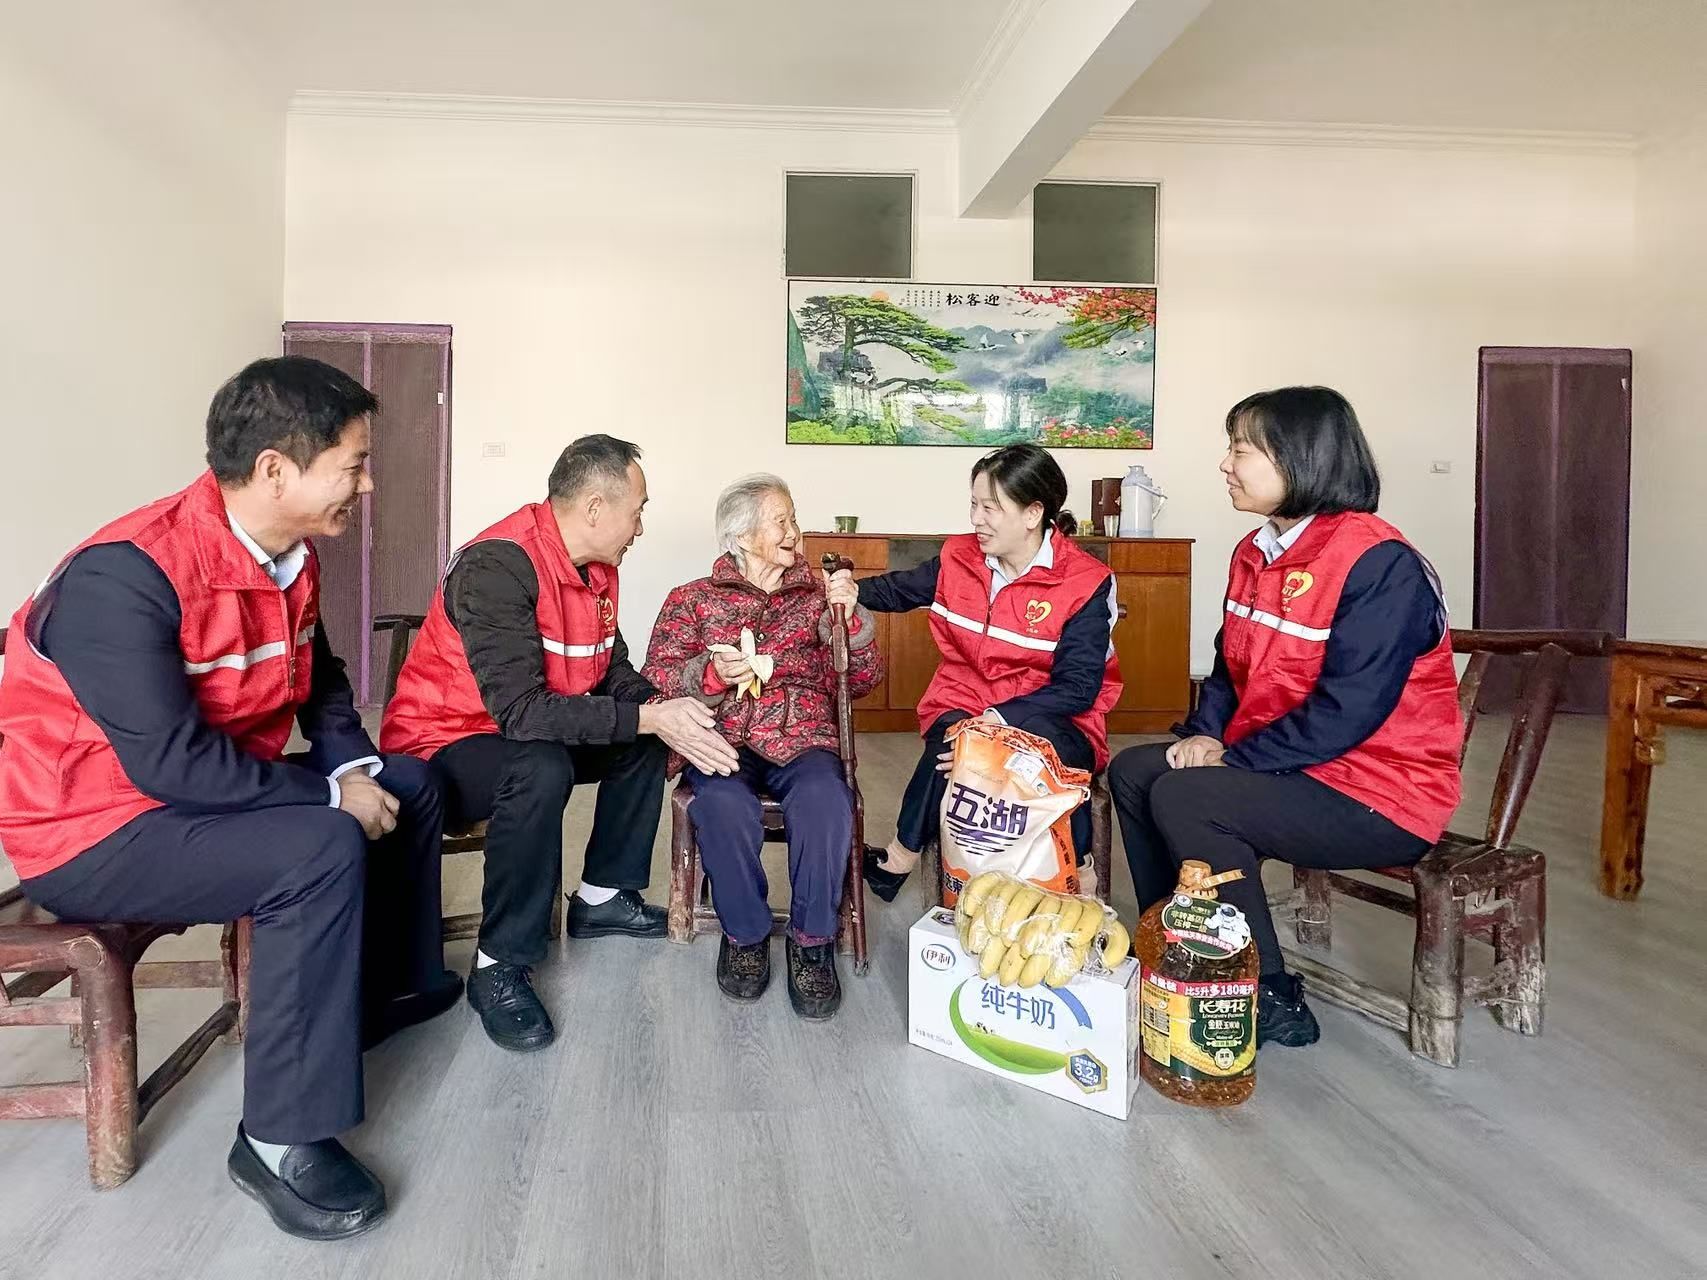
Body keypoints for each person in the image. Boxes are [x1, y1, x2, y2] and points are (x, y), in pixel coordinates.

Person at [0, 356, 459, 1241]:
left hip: (200, 802)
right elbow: (171, 766)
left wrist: (353, 769)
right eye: (355, 464)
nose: (366, 485)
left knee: (406, 781)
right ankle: (280, 1137)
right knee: (318, 847)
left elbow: (322, 684)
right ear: (276, 469)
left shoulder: (289, 558)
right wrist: (328, 796)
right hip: (95, 832)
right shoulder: (123, 576)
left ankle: (381, 995)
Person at [1107, 386, 1463, 1050]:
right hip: (1291, 768)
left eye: (1241, 450)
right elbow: (1228, 669)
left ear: (1302, 458)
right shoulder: (1256, 551)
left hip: (1377, 792)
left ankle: (1264, 990)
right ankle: (1178, 948)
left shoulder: (1378, 563)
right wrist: (1205, 733)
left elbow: (1349, 710)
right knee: (1135, 770)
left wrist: (1232, 758)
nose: (1225, 463)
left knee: (1189, 796)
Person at [380, 435, 740, 1053]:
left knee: (644, 736)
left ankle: (602, 897)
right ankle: (499, 964)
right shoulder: (496, 566)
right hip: (447, 740)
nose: (641, 527)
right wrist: (648, 717)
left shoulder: (598, 571)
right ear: (596, 508)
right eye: (638, 510)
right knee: (542, 765)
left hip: (531, 731)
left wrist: (664, 710)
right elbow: (520, 711)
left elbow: (613, 672)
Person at [642, 475, 881, 1018]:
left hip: (803, 737)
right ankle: (745, 934)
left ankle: (812, 941)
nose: (795, 532)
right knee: (721, 805)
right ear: (742, 536)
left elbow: (862, 681)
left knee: (826, 801)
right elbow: (657, 678)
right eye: (782, 521)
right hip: (722, 738)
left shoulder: (820, 598)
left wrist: (850, 622)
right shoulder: (692, 599)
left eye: (794, 519)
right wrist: (709, 674)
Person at [842, 445, 1122, 901]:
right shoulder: (959, 557)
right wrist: (850, 591)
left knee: (1026, 751)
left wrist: (996, 722)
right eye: (973, 504)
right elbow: (899, 590)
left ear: (1033, 513)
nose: (976, 519)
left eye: (990, 508)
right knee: (953, 743)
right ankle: (901, 856)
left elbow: (1078, 687)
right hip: (964, 698)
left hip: (1053, 717)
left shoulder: (1085, 581)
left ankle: (1079, 869)